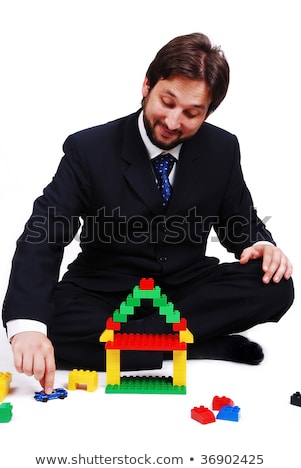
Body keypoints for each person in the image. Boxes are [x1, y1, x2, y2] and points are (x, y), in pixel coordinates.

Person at [2, 32, 294, 394]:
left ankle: (134, 345)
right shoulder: (88, 149)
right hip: (104, 291)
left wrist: (261, 245)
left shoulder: (222, 148)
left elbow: (241, 224)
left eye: (191, 113)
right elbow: (44, 230)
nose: (173, 122)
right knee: (48, 322)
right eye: (167, 102)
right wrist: (29, 327)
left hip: (184, 291)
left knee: (275, 286)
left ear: (208, 111)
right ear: (147, 85)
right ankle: (191, 344)